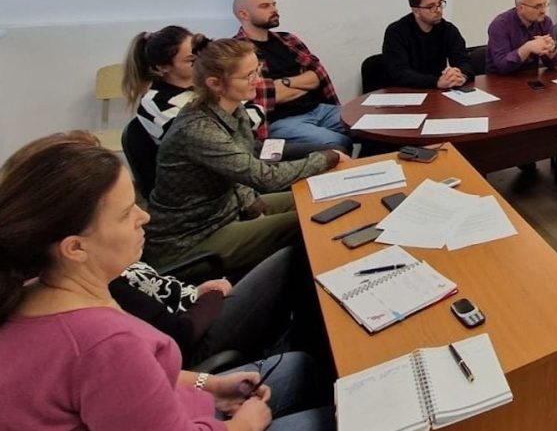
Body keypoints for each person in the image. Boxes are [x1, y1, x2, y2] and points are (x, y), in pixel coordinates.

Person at [0, 136, 333, 430]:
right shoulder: (105, 342)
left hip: (184, 407)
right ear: (75, 248)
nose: (144, 217)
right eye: (126, 213)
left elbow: (135, 382)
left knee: (300, 367)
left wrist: (209, 385)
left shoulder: (31, 293)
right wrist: (242, 426)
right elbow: (122, 371)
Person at [145, 38, 347, 275]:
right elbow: (265, 177)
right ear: (215, 83)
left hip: (228, 209)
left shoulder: (233, 108)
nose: (258, 81)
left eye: (257, 71)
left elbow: (240, 163)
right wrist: (327, 158)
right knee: (311, 220)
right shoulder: (197, 130)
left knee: (322, 199)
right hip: (193, 237)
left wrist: (251, 203)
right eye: (248, 76)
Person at [233, 0, 354, 153]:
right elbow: (260, 95)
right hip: (281, 121)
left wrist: (283, 84)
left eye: (274, 5)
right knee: (338, 142)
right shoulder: (237, 52)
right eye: (265, 6)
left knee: (366, 125)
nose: (274, 10)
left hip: (318, 109)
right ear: (243, 14)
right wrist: (301, 85)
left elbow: (316, 76)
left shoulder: (288, 40)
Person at [123, 25, 264, 143]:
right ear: (163, 67)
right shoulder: (154, 102)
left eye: (201, 55)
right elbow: (202, 138)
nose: (203, 62)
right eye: (191, 60)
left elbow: (257, 111)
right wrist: (237, 121)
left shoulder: (208, 84)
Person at [382, 0, 474, 88]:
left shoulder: (448, 29)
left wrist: (460, 75)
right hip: (405, 92)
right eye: (431, 7)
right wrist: (436, 82)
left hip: (437, 92)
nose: (438, 10)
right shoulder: (396, 32)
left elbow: (465, 61)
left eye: (440, 4)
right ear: (416, 11)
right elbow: (400, 73)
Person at [486, 0, 557, 74]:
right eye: (537, 6)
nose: (543, 11)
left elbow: (556, 64)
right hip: (499, 79)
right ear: (520, 8)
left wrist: (552, 50)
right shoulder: (500, 25)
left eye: (545, 4)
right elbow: (502, 66)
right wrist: (527, 48)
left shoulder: (545, 22)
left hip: (530, 77)